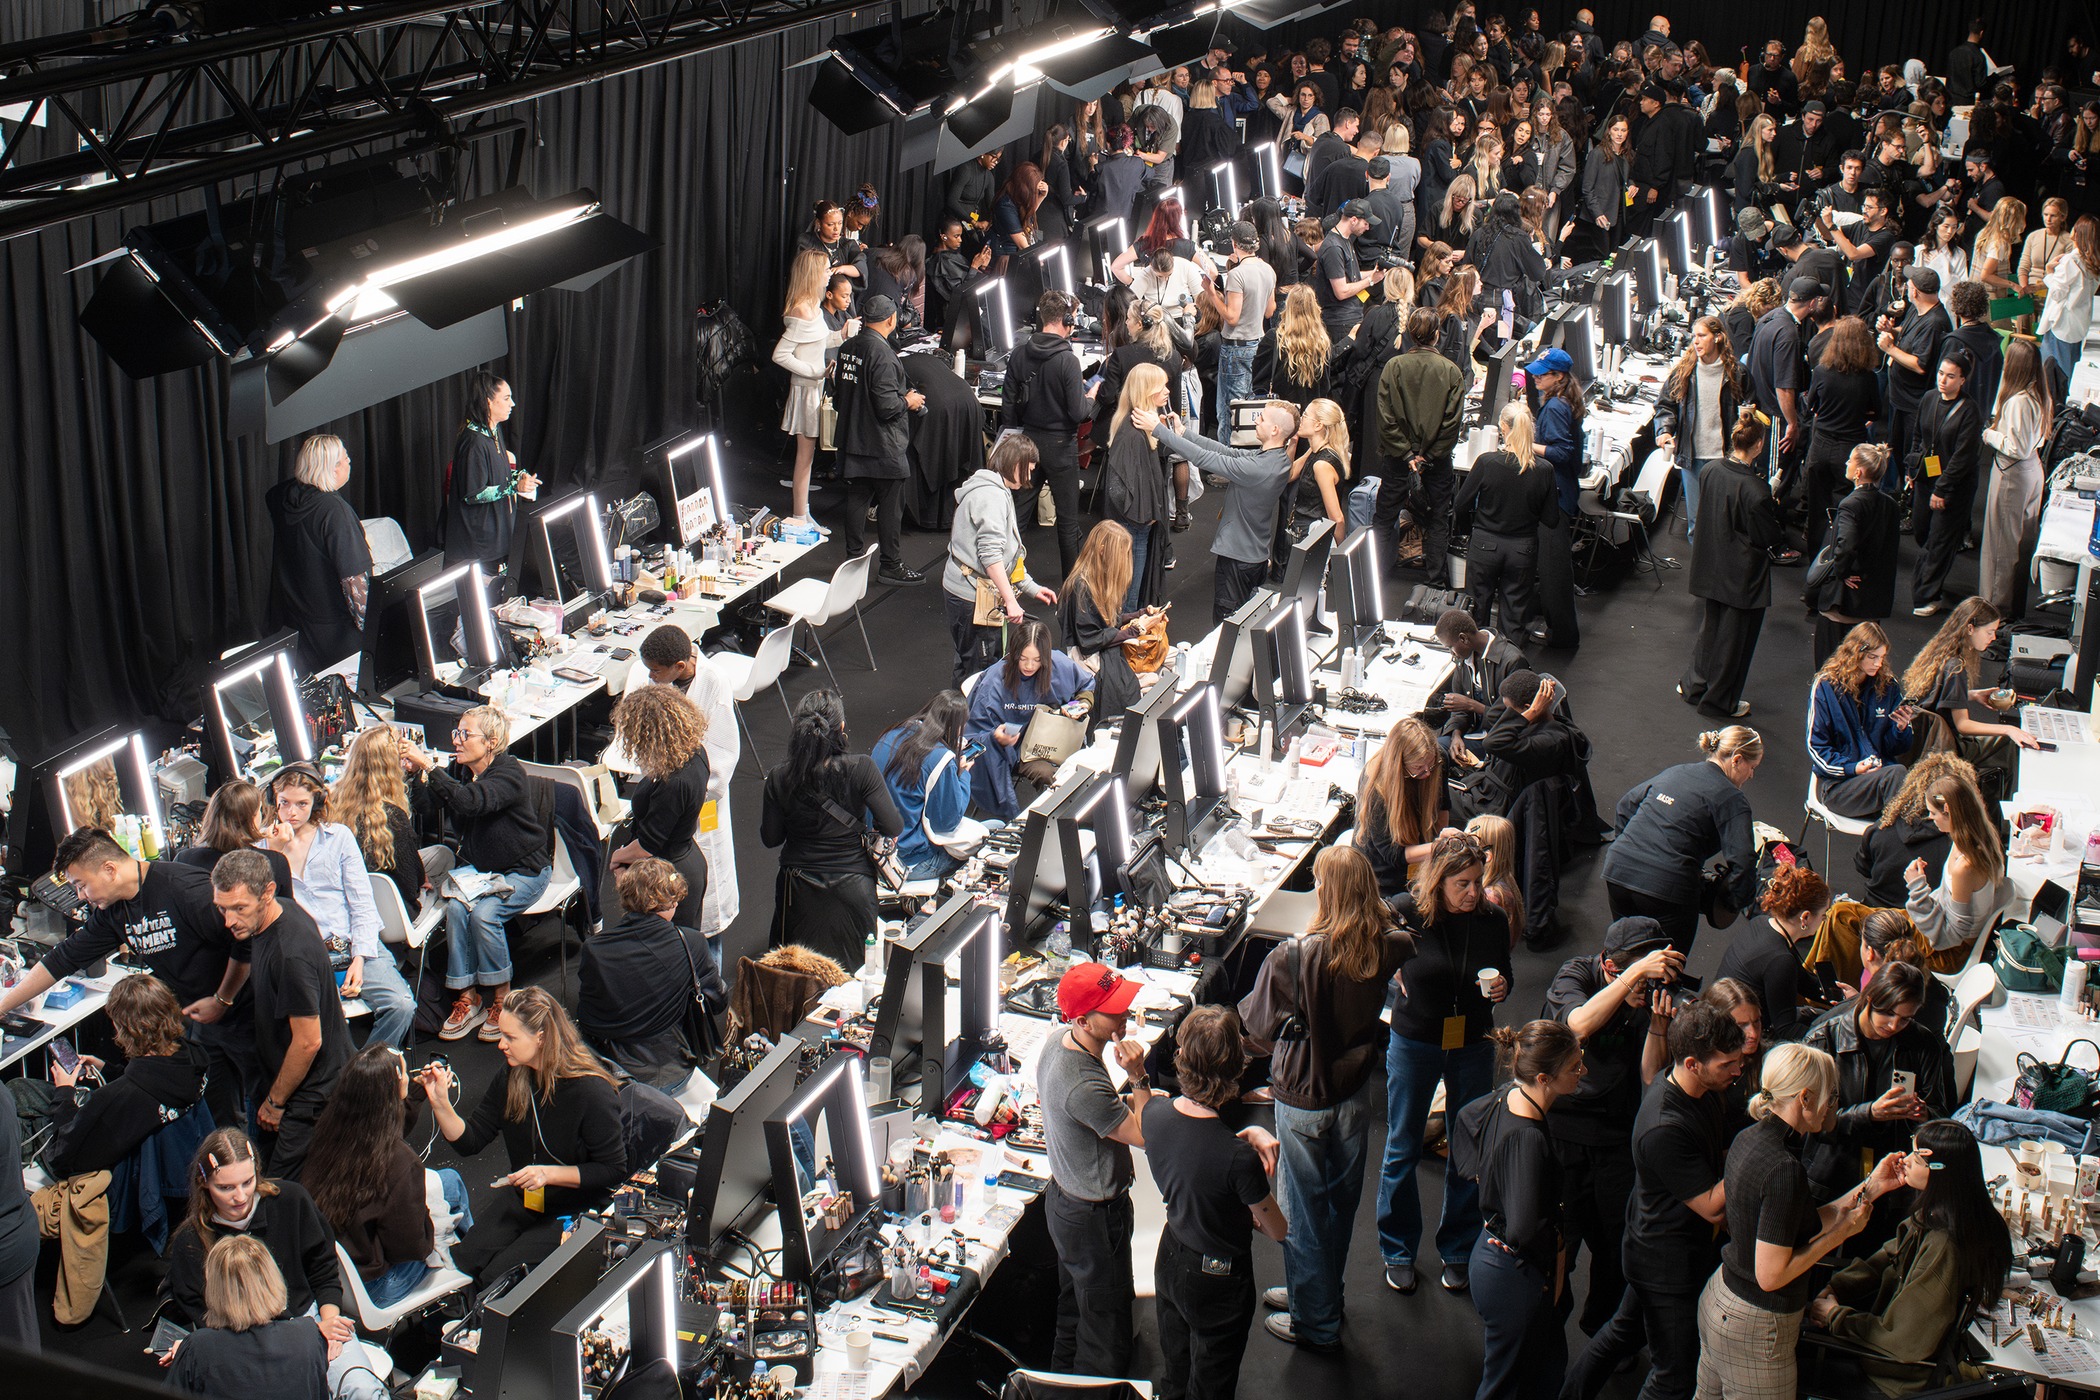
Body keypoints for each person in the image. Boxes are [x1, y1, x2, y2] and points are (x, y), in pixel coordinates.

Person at [1239, 847, 1414, 1347]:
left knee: (1304, 1214)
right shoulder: (1388, 945)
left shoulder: (1293, 956)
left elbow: (1255, 1028)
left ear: (1326, 891)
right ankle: (1317, 1295)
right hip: (1354, 1092)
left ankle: (1315, 1323)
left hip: (1301, 1097)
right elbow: (1402, 925)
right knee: (1339, 1204)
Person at [2, 827, 258, 1142]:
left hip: (247, 1013)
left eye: (82, 885)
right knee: (221, 1118)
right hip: (204, 1020)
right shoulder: (114, 912)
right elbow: (61, 960)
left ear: (109, 870)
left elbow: (246, 940)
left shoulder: (184, 889)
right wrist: (2, 1006)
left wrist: (223, 999)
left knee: (263, 1110)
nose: (82, 896)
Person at [1562, 1004, 1747, 1400]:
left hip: (1660, 1246)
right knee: (1674, 1378)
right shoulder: (1665, 1126)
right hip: (1665, 1264)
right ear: (1694, 1063)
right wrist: (1756, 1145)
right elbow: (1713, 1206)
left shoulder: (1701, 1090)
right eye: (1728, 1064)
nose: (1737, 1071)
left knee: (1621, 1332)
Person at [1697, 1044, 1896, 1400]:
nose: (1834, 1104)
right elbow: (1771, 1275)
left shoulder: (1751, 1138)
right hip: (1755, 1323)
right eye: (1831, 1095)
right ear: (1805, 1098)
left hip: (1721, 1299)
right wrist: (1843, 1233)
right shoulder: (1783, 1169)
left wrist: (1871, 1188)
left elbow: (1796, 1223)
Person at [1379, 831, 1513, 1296]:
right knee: (1403, 1143)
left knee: (1469, 1145)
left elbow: (1506, 972)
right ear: (1438, 881)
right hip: (1414, 1041)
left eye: (1478, 881)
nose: (1474, 892)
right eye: (1463, 884)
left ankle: (1457, 1247)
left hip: (1473, 1041)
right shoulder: (1407, 911)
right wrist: (1389, 967)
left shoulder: (1492, 919)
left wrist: (1502, 989)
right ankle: (1397, 1249)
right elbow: (1368, 936)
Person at [415, 987, 626, 1282]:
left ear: (541, 1037)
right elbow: (471, 1140)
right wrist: (440, 1103)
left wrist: (548, 1174)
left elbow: (612, 1170)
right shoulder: (513, 1075)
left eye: (511, 1038)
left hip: (575, 1207)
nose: (501, 1045)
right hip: (530, 1197)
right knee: (465, 1261)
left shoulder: (591, 1091)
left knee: (498, 1278)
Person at [35, 973, 207, 1324]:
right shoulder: (195, 1056)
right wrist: (109, 1070)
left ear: (125, 1028)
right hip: (184, 1172)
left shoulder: (122, 1096)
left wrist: (65, 1092)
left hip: (126, 1187)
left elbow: (65, 1155)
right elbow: (146, 1088)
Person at [1543, 918, 1684, 1335]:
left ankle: (1600, 1326)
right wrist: (1634, 977)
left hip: (1615, 1136)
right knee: (1558, 1237)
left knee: (1615, 1242)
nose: (1645, 987)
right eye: (1637, 974)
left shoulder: (1649, 998)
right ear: (1608, 966)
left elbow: (1648, 1075)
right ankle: (1547, 1321)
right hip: (1563, 1129)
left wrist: (1658, 1025)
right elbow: (1579, 1024)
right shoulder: (1575, 974)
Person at [1807, 1120, 2013, 1396]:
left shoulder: (1944, 1248)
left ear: (1940, 1173)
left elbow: (1902, 1340)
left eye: (1916, 1158)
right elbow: (1886, 1258)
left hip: (1891, 1379)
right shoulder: (1940, 1213)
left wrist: (1835, 1316)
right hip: (1885, 1355)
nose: (1904, 1161)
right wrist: (1838, 1287)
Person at [1144, 1006, 1286, 1394]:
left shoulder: (1153, 1114)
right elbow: (1277, 1229)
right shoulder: (1238, 1160)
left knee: (1174, 1372)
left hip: (1171, 1255)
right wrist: (1250, 1138)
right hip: (1218, 1279)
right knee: (1212, 1385)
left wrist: (1243, 1136)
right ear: (1237, 1067)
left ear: (1181, 1056)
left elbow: (1195, 1155)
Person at [402, 706, 551, 1042]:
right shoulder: (460, 769)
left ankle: (503, 1000)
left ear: (492, 742)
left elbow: (470, 803)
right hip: (481, 872)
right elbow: (428, 807)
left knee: (485, 914)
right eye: (457, 733)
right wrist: (417, 774)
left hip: (524, 871)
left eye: (464, 735)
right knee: (456, 907)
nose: (456, 741)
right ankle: (468, 999)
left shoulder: (508, 774)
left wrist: (430, 765)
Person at [1453, 1019, 1584, 1400]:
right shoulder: (1527, 1138)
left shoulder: (1505, 1095)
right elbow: (1524, 1231)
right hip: (1514, 1276)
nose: (1582, 1072)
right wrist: (1557, 1249)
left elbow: (1464, 1122)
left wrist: (1485, 1178)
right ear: (1544, 1077)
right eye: (1574, 1068)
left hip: (1493, 1258)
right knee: (1505, 1387)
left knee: (1542, 1366)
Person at [1038, 961, 1154, 1376]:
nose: (1123, 1014)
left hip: (1067, 1204)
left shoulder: (1059, 1041)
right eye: (1113, 1010)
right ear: (1084, 1020)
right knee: (1107, 1336)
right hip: (1094, 1221)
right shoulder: (1084, 1085)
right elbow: (1144, 1135)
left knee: (1075, 1316)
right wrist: (1138, 1076)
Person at [207, 850, 352, 1178]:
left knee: (282, 1190)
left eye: (239, 908)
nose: (229, 921)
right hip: (287, 1086)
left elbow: (308, 1042)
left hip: (310, 1097)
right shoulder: (279, 912)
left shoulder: (290, 955)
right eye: (222, 908)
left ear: (268, 893)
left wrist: (275, 1102)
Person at [302, 1043, 471, 1309]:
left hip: (334, 1277)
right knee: (448, 1191)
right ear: (393, 1087)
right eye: (404, 1074)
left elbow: (381, 1127)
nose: (409, 1076)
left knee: (448, 1181)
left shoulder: (330, 1131)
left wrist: (414, 1092)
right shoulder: (402, 1164)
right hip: (379, 1286)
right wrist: (432, 1218)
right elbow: (413, 1248)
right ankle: (472, 1266)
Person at [261, 764, 410, 1051]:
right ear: (273, 802)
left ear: (316, 802)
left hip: (354, 944)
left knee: (401, 1005)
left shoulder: (338, 837)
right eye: (284, 803)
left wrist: (359, 958)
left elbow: (362, 904)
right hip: (306, 958)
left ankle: (364, 1075)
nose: (291, 812)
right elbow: (265, 909)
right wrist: (274, 852)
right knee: (315, 1029)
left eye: (301, 804)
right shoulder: (263, 848)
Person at [165, 1128, 349, 1352]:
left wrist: (329, 1325)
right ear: (203, 1183)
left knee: (359, 1386)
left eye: (248, 1182)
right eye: (225, 1188)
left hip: (310, 1318)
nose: (240, 1197)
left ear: (257, 1171)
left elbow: (324, 1271)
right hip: (241, 1341)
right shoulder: (191, 1240)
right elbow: (201, 1313)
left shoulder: (292, 1200)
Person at [761, 690, 904, 968]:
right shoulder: (861, 767)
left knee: (796, 973)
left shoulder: (779, 777)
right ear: (840, 728)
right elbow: (893, 825)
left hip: (797, 891)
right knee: (856, 972)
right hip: (854, 887)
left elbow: (771, 838)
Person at [1801, 964, 1955, 1212]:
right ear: (1869, 999)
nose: (1894, 1025)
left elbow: (1940, 1116)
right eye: (1888, 1014)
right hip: (1832, 1171)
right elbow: (1809, 1124)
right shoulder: (1822, 1040)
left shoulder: (1923, 1043)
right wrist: (1870, 1113)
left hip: (1896, 1177)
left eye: (1905, 1018)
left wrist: (1924, 1114)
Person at [1604, 727, 1762, 954]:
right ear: (1737, 760)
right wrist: (1734, 900)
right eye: (1752, 768)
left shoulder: (1677, 772)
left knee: (1623, 954)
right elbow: (1744, 860)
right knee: (1667, 968)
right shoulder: (1732, 798)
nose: (1751, 775)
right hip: (1668, 887)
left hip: (1618, 871)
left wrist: (1629, 846)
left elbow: (1625, 807)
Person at [1139, 397, 1298, 621]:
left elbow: (1205, 458)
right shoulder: (1277, 459)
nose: (1256, 421)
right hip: (1255, 556)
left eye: (1261, 418)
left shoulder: (1257, 468)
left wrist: (1158, 430)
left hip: (1238, 560)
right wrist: (1184, 433)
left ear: (1274, 429)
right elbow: (1226, 451)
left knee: (1227, 624)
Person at [634, 624, 741, 943]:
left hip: (703, 800)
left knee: (704, 896)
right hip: (673, 789)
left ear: (680, 667)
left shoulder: (713, 683)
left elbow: (722, 757)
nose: (651, 678)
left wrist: (684, 795)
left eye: (656, 671)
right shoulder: (665, 675)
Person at [578, 859, 723, 1089]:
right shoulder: (691, 943)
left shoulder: (594, 950)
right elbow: (717, 1001)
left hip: (615, 1074)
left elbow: (589, 1019)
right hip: (677, 1068)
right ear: (672, 901)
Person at [1679, 409, 1783, 721]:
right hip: (1741, 576)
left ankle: (1694, 686)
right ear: (1760, 445)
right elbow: (1769, 536)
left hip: (1712, 565)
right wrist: (1773, 499)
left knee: (1709, 632)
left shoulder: (1711, 470)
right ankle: (1719, 702)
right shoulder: (1756, 490)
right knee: (1734, 644)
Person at [943, 433, 1056, 686]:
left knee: (969, 665)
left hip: (969, 592)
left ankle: (960, 721)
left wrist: (1030, 588)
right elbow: (992, 557)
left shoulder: (992, 487)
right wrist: (1010, 601)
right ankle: (971, 723)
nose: (1030, 477)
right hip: (973, 597)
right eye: (1028, 469)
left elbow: (1007, 556)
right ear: (1015, 464)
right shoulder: (992, 496)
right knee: (980, 674)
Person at [169, 1234, 331, 1400]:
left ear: (215, 1289)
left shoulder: (198, 1348)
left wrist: (185, 1355)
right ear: (272, 1280)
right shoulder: (308, 1334)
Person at [601, 684, 710, 930]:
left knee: (668, 949)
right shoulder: (694, 753)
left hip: (667, 876)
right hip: (683, 862)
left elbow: (648, 845)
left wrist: (617, 857)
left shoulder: (674, 783)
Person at [1902, 598, 2038, 793]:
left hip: (1924, 740)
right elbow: (1963, 726)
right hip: (1946, 744)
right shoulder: (1957, 667)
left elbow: (1935, 696)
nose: (1992, 638)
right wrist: (2009, 729)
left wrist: (1972, 695)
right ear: (1970, 628)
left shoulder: (1940, 653)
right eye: (1989, 632)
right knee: (2008, 743)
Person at [833, 294, 925, 585]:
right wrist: (908, 401)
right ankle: (890, 564)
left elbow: (839, 398)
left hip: (853, 439)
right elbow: (887, 407)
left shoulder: (848, 347)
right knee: (890, 504)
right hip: (883, 445)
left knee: (858, 496)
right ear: (891, 319)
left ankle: (852, 560)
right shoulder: (883, 355)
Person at [965, 621, 1095, 818]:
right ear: (1014, 653)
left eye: (1036, 660)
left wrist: (1082, 703)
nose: (1029, 666)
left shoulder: (1059, 665)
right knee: (1051, 777)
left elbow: (1085, 685)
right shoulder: (994, 681)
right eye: (1023, 659)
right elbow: (974, 734)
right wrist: (995, 738)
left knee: (1082, 771)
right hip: (1016, 752)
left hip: (1054, 741)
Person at [265, 433, 372, 671]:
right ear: (333, 469)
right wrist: (372, 630)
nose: (349, 462)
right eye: (345, 459)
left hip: (297, 627)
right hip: (336, 636)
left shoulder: (281, 498)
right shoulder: (335, 512)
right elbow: (354, 583)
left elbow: (272, 493)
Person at [1001, 290, 1090, 576]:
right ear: (1065, 319)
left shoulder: (1018, 354)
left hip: (1027, 443)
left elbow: (1008, 403)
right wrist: (1092, 397)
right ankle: (1071, 585)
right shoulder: (1068, 361)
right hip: (1061, 447)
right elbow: (1078, 412)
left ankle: (1006, 577)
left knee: (1018, 517)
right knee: (1067, 521)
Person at [1377, 307, 1468, 583]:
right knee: (1439, 519)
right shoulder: (1451, 372)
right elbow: (1452, 423)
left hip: (1397, 458)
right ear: (1437, 336)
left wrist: (1407, 454)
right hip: (1436, 461)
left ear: (1410, 334)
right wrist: (1427, 455)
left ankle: (1373, 578)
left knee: (1383, 518)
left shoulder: (1394, 367)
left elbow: (1385, 416)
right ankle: (1435, 581)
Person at [1454, 401, 1560, 637]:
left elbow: (1460, 504)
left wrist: (1474, 525)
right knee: (1514, 616)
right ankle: (1508, 666)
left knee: (1475, 611)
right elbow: (1551, 519)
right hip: (1523, 549)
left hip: (1484, 545)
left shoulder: (1487, 462)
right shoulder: (1544, 469)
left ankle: (1474, 667)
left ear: (1503, 427)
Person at [1809, 622, 1917, 818]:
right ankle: (1897, 840)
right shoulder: (1826, 686)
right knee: (1898, 778)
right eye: (1872, 657)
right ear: (1856, 653)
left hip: (1880, 779)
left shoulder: (1888, 686)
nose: (1878, 663)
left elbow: (1894, 748)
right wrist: (1853, 768)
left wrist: (1901, 729)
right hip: (1841, 787)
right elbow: (1817, 747)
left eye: (1882, 658)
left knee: (1919, 782)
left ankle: (1891, 840)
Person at [1653, 316, 1747, 542]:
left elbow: (1749, 411)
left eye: (1702, 335)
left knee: (1723, 522)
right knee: (1696, 523)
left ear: (1718, 337)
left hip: (1724, 458)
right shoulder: (1684, 371)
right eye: (1694, 336)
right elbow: (1665, 404)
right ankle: (1700, 574)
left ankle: (1719, 573)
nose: (1696, 341)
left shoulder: (1736, 372)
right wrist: (1664, 430)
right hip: (1692, 457)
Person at [1800, 319, 1884, 567]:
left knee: (1816, 506)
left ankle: (1815, 556)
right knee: (1845, 509)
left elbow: (1811, 404)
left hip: (1821, 445)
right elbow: (1876, 413)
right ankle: (1837, 557)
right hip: (1849, 450)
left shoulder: (1822, 371)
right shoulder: (1868, 378)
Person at [1715, 867, 1832, 1045]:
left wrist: (1835, 995)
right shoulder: (1780, 960)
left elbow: (1800, 978)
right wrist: (1835, 1035)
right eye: (1823, 916)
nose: (1824, 920)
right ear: (1805, 917)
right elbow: (1786, 1029)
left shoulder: (1761, 923)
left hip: (1721, 1021)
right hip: (1738, 1041)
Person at [872, 691, 981, 881]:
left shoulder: (893, 733)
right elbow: (947, 821)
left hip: (871, 849)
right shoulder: (940, 759)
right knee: (987, 836)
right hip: (908, 860)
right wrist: (962, 774)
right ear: (957, 726)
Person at [1060, 523, 1162, 726]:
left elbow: (1109, 620)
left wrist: (1141, 614)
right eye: (1121, 554)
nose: (1124, 561)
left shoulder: (1097, 580)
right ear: (1102, 551)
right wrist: (1135, 629)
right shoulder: (1081, 587)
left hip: (1102, 654)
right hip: (1089, 661)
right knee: (1124, 691)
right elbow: (1089, 640)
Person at [1979, 339, 2053, 616]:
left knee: (2001, 547)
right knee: (2020, 543)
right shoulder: (2039, 393)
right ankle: (2011, 607)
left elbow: (2016, 447)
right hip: (2031, 471)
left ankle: (1994, 612)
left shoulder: (2019, 401)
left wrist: (1989, 434)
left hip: (2012, 473)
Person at [1903, 773, 2012, 958]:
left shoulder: (1965, 867)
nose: (1930, 818)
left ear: (1948, 810)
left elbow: (1953, 935)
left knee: (1847, 919)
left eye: (1933, 813)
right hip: (1939, 923)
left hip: (1953, 951)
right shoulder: (1979, 838)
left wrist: (1917, 887)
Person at [773, 249, 845, 523]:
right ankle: (800, 515)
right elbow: (780, 355)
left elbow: (821, 341)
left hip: (815, 389)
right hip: (805, 392)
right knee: (805, 458)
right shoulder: (802, 310)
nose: (830, 274)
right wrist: (815, 372)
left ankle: (804, 513)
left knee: (808, 457)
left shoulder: (813, 307)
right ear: (813, 273)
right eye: (827, 269)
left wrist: (842, 335)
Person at [331, 726, 432, 915]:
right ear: (391, 765)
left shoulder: (331, 804)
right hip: (392, 914)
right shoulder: (392, 817)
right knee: (443, 859)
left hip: (344, 909)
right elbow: (411, 887)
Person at [443, 371, 537, 571]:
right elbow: (474, 493)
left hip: (495, 540)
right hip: (476, 547)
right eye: (506, 398)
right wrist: (514, 486)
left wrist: (519, 477)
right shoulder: (473, 442)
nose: (512, 404)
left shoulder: (493, 431)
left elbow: (496, 475)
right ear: (488, 402)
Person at [1856, 756, 1975, 910]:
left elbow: (1863, 866)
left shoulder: (1883, 826)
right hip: (1925, 920)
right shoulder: (1961, 844)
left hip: (1873, 915)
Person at [1100, 365, 1174, 610]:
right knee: (1130, 594)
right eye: (1160, 387)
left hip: (1134, 527)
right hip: (1134, 530)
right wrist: (1142, 516)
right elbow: (1118, 489)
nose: (1167, 391)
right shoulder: (1133, 436)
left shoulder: (1134, 426)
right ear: (1146, 391)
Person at [1528, 346, 1587, 648]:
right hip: (1565, 492)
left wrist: (1526, 443)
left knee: (1553, 572)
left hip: (1556, 496)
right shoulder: (1567, 401)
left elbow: (1561, 452)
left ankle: (1562, 636)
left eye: (1543, 374)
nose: (1535, 378)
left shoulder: (1553, 408)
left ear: (1559, 376)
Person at [1356, 716, 1450, 896]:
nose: (1428, 773)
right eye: (1419, 768)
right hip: (1381, 876)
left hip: (1421, 857)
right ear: (1399, 765)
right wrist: (1439, 847)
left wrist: (1441, 838)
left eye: (1430, 765)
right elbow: (1393, 855)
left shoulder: (1438, 759)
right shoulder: (1375, 786)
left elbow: (1442, 808)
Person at [1878, 267, 1951, 497]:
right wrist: (1893, 330)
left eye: (1909, 286)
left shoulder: (1935, 322)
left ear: (1916, 292)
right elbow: (1909, 335)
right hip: (1900, 398)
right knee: (1898, 451)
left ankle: (1913, 502)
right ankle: (1904, 495)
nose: (1906, 288)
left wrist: (1890, 349)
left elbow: (1920, 364)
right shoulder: (1918, 311)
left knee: (1912, 455)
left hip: (1914, 404)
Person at [177, 781, 297, 898]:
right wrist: (274, 853)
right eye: (259, 810)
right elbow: (285, 911)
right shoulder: (275, 862)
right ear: (251, 819)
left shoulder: (184, 859)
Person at [1219, 222, 1277, 412]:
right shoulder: (1268, 270)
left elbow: (1232, 317)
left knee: (1230, 410)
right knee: (1250, 407)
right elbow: (1270, 311)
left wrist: (1211, 294)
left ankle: (1228, 444)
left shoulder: (1237, 274)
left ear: (1234, 244)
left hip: (1236, 347)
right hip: (1257, 343)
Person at [2037, 215, 2100, 382]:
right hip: (2078, 325)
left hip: (2061, 325)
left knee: (2051, 375)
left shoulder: (2070, 261)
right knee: (2066, 375)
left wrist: (2049, 273)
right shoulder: (2092, 263)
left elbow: (2057, 293)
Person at [1567, 113, 1630, 262]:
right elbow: (1587, 188)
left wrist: (1631, 185)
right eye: (1616, 129)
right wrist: (1597, 213)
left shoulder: (1626, 155)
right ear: (1608, 131)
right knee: (1602, 255)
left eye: (1623, 130)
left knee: (1614, 255)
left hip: (1619, 212)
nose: (1619, 134)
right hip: (1600, 213)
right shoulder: (1597, 154)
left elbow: (1625, 179)